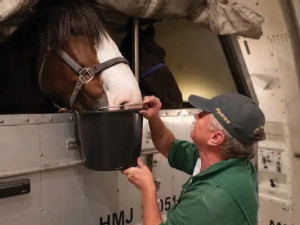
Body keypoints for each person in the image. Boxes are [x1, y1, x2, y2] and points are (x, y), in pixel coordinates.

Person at [122, 93, 266, 225]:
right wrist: (153, 118)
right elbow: (169, 146)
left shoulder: (208, 199)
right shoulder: (233, 164)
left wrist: (148, 188)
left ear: (215, 138)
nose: (196, 115)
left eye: (204, 114)